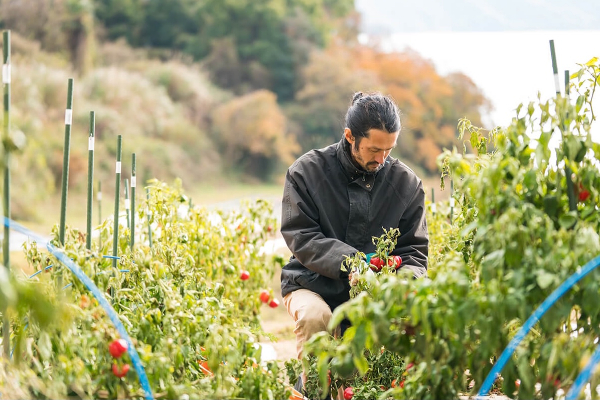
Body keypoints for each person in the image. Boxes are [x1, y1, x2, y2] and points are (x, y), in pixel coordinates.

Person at [280, 91, 429, 395]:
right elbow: (301, 235)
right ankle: (311, 391)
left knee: (391, 337)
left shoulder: (406, 184)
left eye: (389, 149)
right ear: (349, 136)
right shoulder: (306, 172)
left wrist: (396, 286)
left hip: (374, 295)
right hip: (310, 282)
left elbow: (414, 252)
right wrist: (354, 262)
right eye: (374, 149)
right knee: (315, 318)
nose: (382, 158)